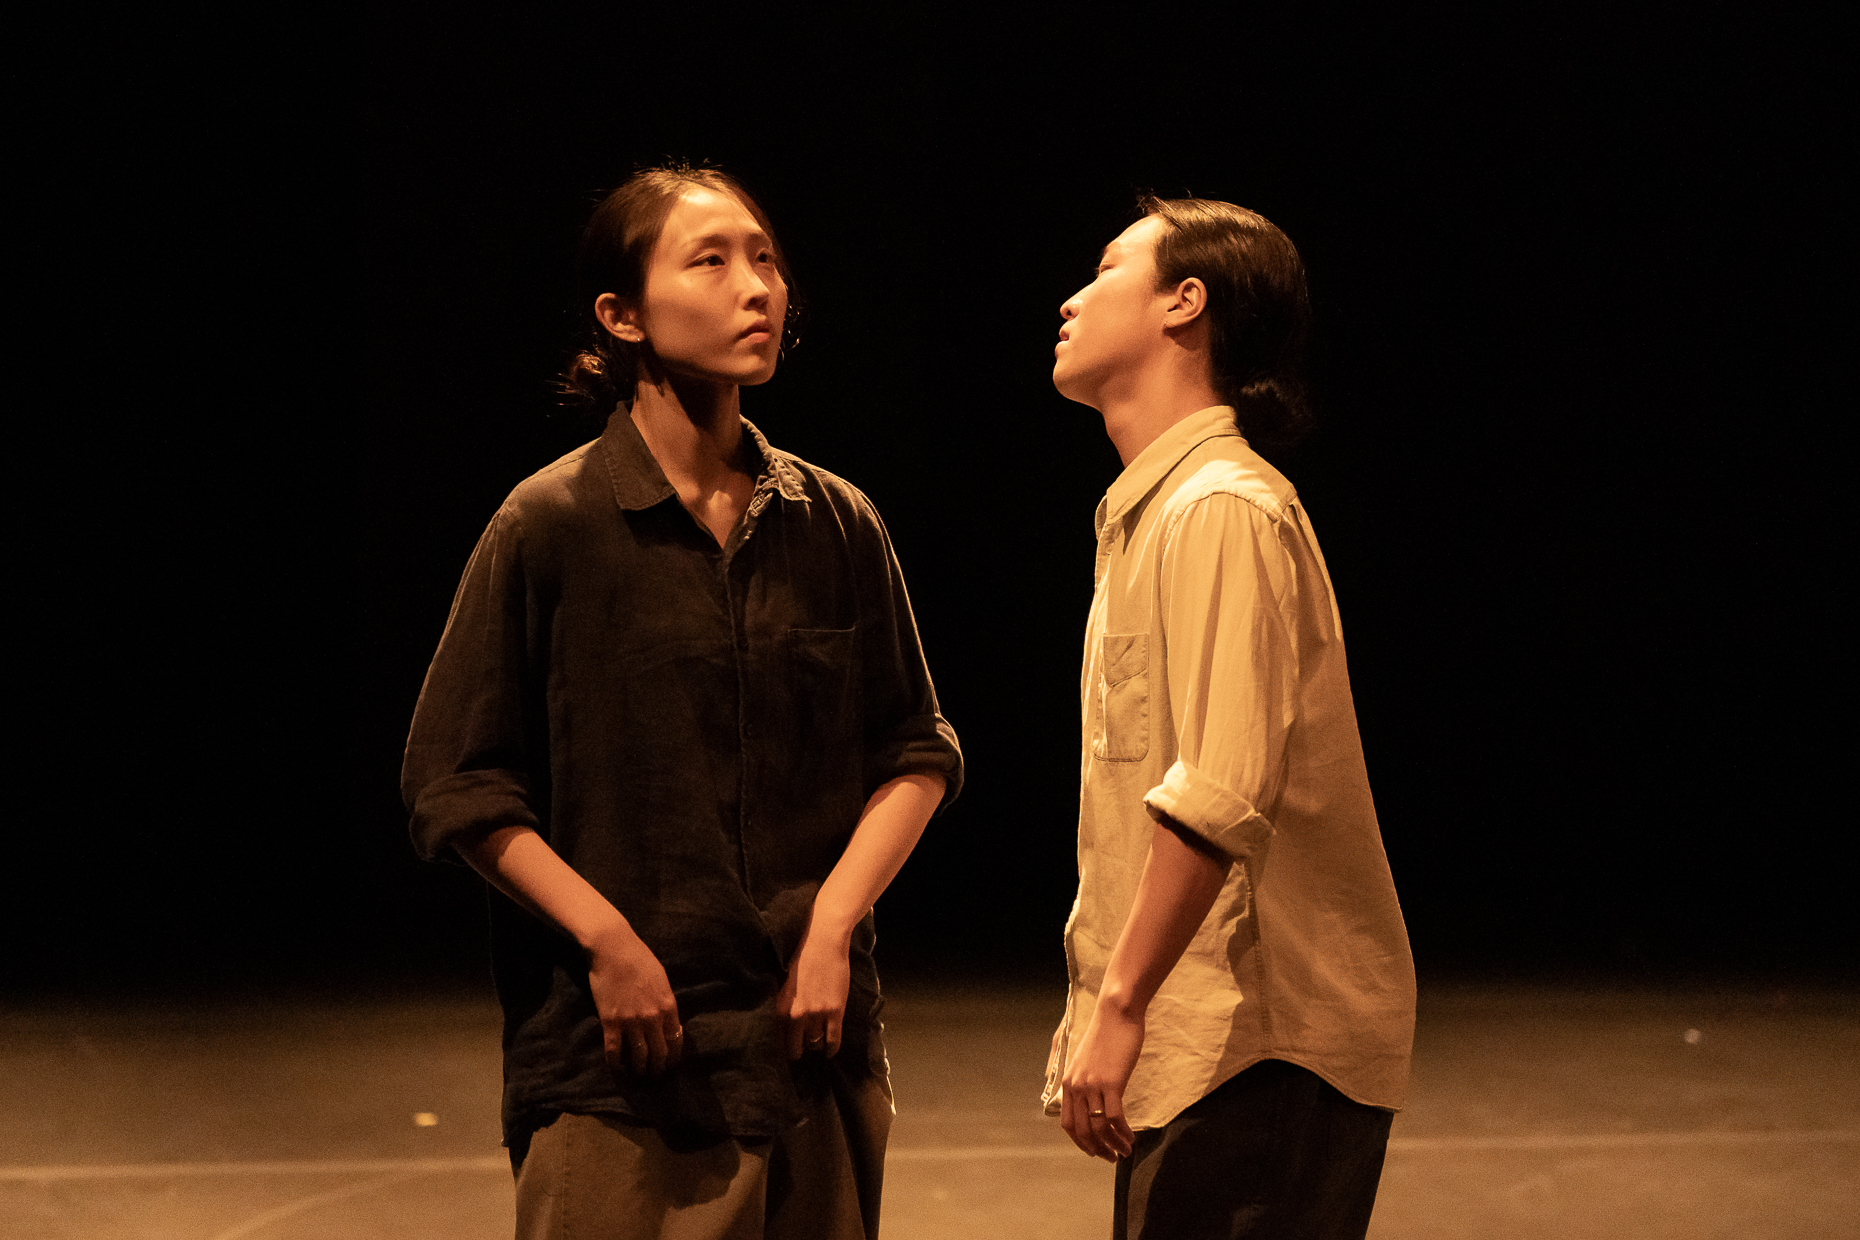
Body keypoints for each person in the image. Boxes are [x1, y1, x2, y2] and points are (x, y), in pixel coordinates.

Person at [402, 166, 962, 1240]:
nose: (757, 287)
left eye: (765, 259)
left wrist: (832, 923)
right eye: (710, 261)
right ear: (622, 316)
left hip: (810, 1049)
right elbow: (456, 782)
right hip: (624, 1069)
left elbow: (916, 749)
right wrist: (607, 939)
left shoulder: (835, 521)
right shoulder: (550, 525)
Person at [1040, 196, 1415, 1239]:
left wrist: (1120, 1004)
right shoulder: (1156, 511)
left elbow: (1219, 790)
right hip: (1207, 1042)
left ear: (1185, 302)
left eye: (1106, 269)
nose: (1071, 299)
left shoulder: (1219, 508)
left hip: (1262, 1048)